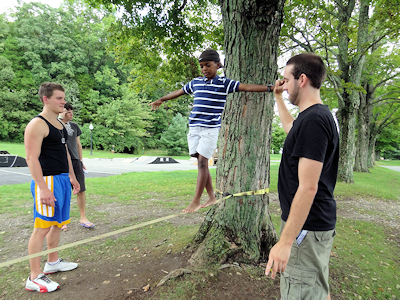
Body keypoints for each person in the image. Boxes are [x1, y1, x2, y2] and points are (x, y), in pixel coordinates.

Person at [150, 48, 274, 213]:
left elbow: (247, 87)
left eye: (207, 65)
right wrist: (162, 99)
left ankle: (195, 201)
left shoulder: (225, 83)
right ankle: (211, 197)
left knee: (202, 162)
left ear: (218, 65)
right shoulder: (196, 82)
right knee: (200, 161)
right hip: (194, 127)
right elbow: (179, 92)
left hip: (210, 128)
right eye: (201, 66)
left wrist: (270, 88)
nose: (204, 69)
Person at [265, 53, 339, 300]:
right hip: (310, 225)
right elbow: (291, 130)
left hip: (306, 228)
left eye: (286, 80)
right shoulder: (311, 118)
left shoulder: (315, 121)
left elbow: (308, 187)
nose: (283, 85)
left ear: (303, 79)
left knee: (303, 291)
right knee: (315, 288)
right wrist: (278, 98)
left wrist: (286, 242)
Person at [24, 82, 80, 293]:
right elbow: (31, 158)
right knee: (42, 227)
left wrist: (72, 177)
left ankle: (53, 262)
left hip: (62, 179)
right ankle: (34, 276)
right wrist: (43, 189)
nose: (63, 102)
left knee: (57, 223)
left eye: (63, 98)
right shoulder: (37, 124)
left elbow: (64, 152)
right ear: (46, 99)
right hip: (46, 182)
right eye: (59, 98)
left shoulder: (59, 124)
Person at [60, 102, 95, 229]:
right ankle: (62, 220)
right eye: (68, 111)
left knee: (81, 189)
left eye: (72, 111)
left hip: (75, 161)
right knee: (63, 191)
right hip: (62, 162)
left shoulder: (74, 126)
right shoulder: (56, 125)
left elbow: (78, 144)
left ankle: (83, 217)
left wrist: (81, 161)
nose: (71, 114)